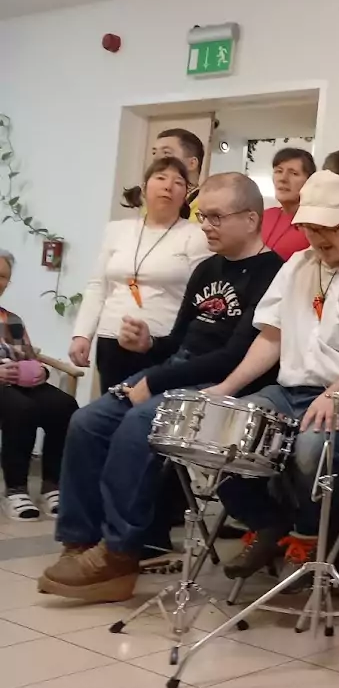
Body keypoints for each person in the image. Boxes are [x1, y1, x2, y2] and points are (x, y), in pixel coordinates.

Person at [37, 174, 282, 602]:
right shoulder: (207, 268)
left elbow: (234, 356)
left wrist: (154, 379)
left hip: (220, 388)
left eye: (216, 217)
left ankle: (119, 553)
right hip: (177, 370)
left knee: (138, 425)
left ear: (250, 219)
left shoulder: (273, 273)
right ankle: (80, 542)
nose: (206, 226)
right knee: (87, 421)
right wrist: (149, 344)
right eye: (202, 216)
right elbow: (181, 342)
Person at [213, 171, 339, 578]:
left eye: (327, 228)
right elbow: (271, 337)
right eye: (310, 228)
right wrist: (227, 388)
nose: (318, 238)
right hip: (290, 390)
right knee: (224, 433)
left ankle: (309, 537)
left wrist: (336, 393)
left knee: (311, 447)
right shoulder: (297, 266)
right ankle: (268, 523)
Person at [71, 157, 210, 391]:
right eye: (161, 178)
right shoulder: (117, 230)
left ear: (185, 194)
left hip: (162, 342)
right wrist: (82, 335)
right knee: (110, 405)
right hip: (112, 338)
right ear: (144, 188)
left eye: (178, 182)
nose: (168, 186)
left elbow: (202, 297)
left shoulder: (195, 235)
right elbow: (97, 286)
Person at [0, 251, 78, 521]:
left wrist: (40, 371)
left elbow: (30, 357)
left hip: (16, 381)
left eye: (4, 277)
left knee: (65, 405)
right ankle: (15, 490)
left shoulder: (12, 320)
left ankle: (52, 486)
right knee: (21, 409)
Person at [261, 147, 317, 259]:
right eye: (278, 171)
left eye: (294, 173)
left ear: (309, 181)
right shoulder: (264, 216)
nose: (283, 179)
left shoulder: (315, 225)